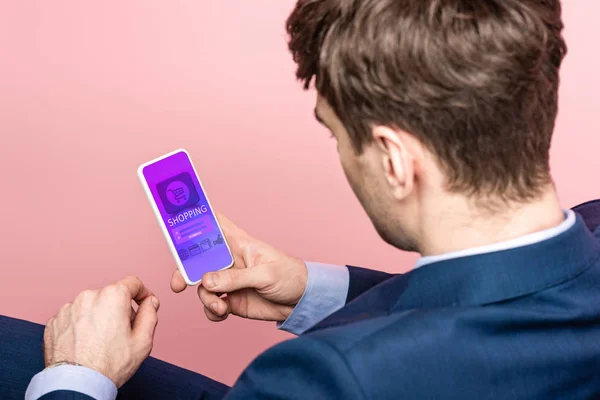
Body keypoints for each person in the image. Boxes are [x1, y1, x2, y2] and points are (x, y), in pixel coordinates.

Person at [2, 0, 600, 398]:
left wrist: (76, 379)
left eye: (335, 133)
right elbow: (486, 303)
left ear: (394, 160)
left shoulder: (324, 379)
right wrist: (311, 292)